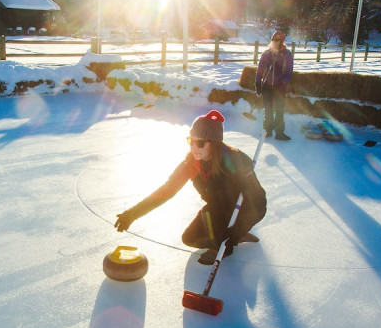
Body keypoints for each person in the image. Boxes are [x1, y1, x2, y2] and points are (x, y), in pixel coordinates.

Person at [114, 110, 267, 265]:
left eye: (200, 142)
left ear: (214, 143)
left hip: (242, 211)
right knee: (189, 238)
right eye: (191, 141)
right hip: (216, 209)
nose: (194, 147)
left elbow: (259, 202)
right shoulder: (192, 163)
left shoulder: (235, 161)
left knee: (223, 233)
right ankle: (231, 236)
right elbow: (166, 191)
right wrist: (132, 214)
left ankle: (228, 243)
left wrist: (239, 228)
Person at [255, 30, 294, 140]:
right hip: (267, 86)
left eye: (277, 40)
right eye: (273, 39)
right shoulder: (266, 53)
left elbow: (289, 71)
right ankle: (267, 131)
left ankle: (279, 133)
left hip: (279, 87)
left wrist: (283, 83)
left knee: (279, 110)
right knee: (268, 110)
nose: (274, 42)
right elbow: (260, 70)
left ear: (281, 41)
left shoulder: (286, 54)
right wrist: (257, 83)